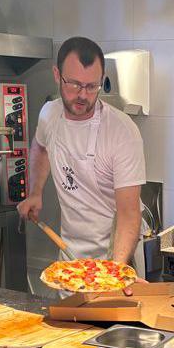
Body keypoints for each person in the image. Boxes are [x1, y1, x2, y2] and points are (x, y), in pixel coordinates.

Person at [16, 36, 147, 277]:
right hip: (70, 256)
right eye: (74, 84)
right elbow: (41, 147)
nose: (83, 95)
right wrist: (35, 193)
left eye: (91, 86)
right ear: (57, 75)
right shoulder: (50, 115)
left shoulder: (122, 131)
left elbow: (129, 215)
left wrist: (114, 275)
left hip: (116, 255)